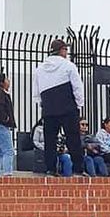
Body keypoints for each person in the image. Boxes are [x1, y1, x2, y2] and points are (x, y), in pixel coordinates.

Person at [31, 38, 85, 178]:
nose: (67, 52)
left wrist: (44, 104)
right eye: (66, 49)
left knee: (50, 140)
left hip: (49, 109)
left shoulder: (39, 69)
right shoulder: (69, 66)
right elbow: (77, 87)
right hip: (68, 107)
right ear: (62, 50)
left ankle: (50, 170)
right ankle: (78, 170)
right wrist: (78, 104)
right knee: (73, 139)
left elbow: (36, 93)